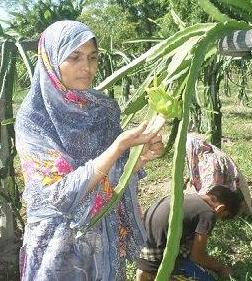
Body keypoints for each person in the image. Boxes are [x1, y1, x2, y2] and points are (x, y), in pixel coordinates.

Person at [14, 20, 165, 281]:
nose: (87, 67)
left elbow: (113, 171)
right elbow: (59, 193)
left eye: (92, 57)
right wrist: (119, 147)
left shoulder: (101, 108)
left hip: (102, 236)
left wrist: (138, 159)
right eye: (74, 57)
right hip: (58, 242)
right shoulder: (34, 119)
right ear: (51, 59)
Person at [136, 186, 242, 281]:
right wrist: (220, 268)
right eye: (222, 217)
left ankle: (146, 271)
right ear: (221, 208)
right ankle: (157, 274)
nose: (218, 219)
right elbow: (197, 256)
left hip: (140, 249)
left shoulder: (186, 197)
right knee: (211, 278)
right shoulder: (208, 214)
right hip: (157, 259)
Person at [185, 133, 252, 226]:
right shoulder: (199, 155)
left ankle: (229, 214)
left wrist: (202, 210)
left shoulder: (211, 163)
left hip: (228, 197)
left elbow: (211, 187)